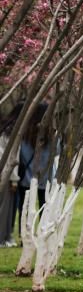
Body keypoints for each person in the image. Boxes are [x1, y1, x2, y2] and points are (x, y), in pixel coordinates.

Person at [14, 102, 55, 235]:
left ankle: (23, 234)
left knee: (24, 207)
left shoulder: (24, 133)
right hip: (45, 177)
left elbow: (20, 154)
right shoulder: (51, 135)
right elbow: (58, 151)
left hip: (26, 176)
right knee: (44, 205)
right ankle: (42, 232)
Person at [0, 104, 22, 247]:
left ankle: (6, 236)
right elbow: (12, 158)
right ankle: (2, 238)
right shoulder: (12, 132)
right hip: (6, 175)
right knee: (4, 208)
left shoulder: (4, 130)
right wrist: (14, 179)